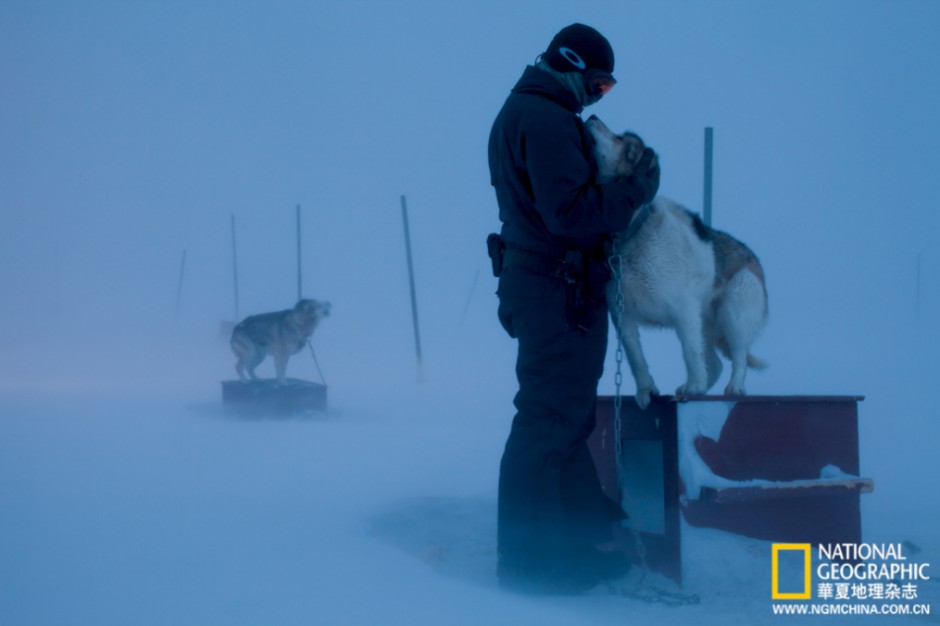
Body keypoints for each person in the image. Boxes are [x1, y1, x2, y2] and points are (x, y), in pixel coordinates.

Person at [486, 23, 661, 594]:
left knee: (561, 422)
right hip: (555, 291)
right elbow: (572, 215)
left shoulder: (528, 113)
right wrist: (636, 189)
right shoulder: (544, 119)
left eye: (607, 88)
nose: (599, 94)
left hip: (548, 289)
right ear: (568, 64)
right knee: (547, 425)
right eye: (598, 82)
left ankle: (569, 549)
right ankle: (530, 566)